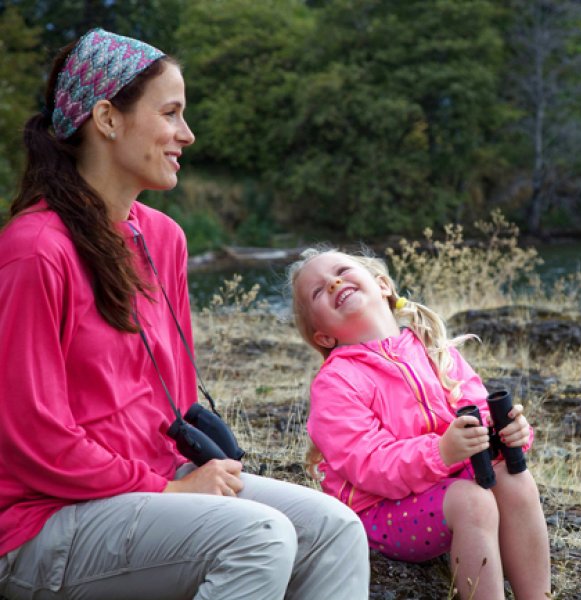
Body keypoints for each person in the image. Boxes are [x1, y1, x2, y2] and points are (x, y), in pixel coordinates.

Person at [0, 29, 368, 600]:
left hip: (150, 489)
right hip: (44, 520)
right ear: (107, 118)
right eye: (170, 113)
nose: (187, 135)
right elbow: (32, 437)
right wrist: (167, 491)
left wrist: (177, 481)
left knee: (336, 530)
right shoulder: (34, 251)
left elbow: (168, 398)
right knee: (260, 537)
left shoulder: (162, 239)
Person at [289, 248, 551, 600]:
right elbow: (369, 464)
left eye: (342, 270)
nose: (334, 282)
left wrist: (509, 435)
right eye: (318, 291)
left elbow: (478, 413)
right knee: (472, 501)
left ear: (382, 285)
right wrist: (441, 452)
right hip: (380, 511)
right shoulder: (336, 382)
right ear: (323, 337)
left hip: (443, 485)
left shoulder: (432, 348)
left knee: (515, 479)